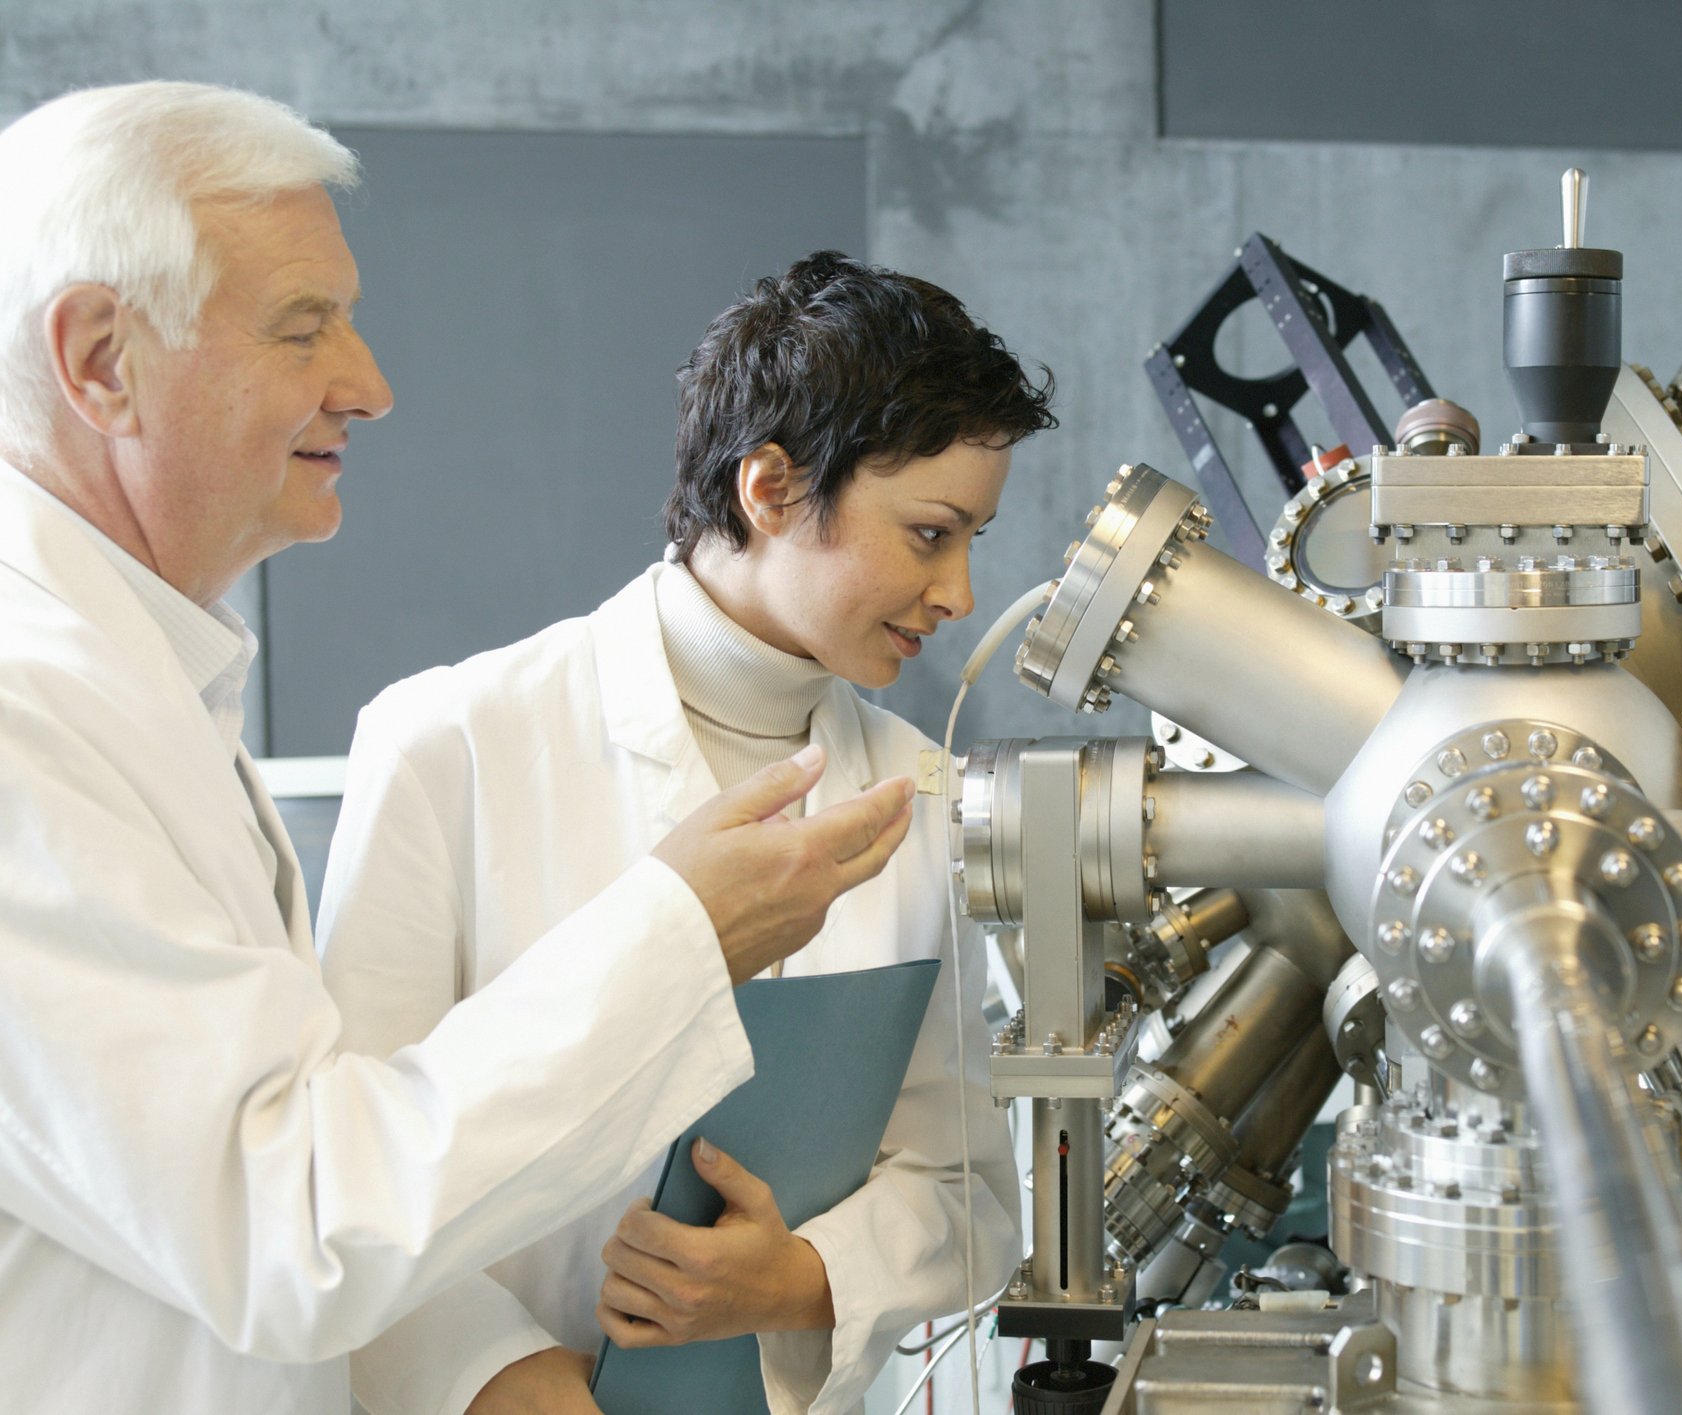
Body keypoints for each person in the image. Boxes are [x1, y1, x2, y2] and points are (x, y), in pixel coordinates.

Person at [0, 81, 914, 1414]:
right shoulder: (28, 710)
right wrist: (678, 936)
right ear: (99, 359)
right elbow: (295, 1223)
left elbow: (244, 1190)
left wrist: (491, 1365)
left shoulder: (133, 676)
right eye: (302, 327)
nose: (366, 383)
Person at [317, 252, 1049, 1413]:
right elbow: (339, 1171)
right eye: (927, 533)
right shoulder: (446, 743)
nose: (958, 591)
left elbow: (966, 1187)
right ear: (768, 486)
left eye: (971, 539)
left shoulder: (919, 791)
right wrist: (497, 1374)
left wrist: (802, 1277)